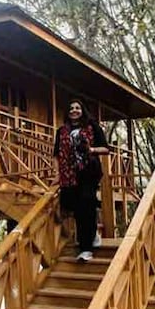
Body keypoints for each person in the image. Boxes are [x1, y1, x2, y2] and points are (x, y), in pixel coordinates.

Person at [53, 99, 109, 261]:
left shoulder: (92, 127)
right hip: (69, 175)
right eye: (71, 108)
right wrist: (57, 174)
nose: (74, 110)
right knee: (75, 208)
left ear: (82, 110)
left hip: (88, 172)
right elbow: (56, 154)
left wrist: (91, 149)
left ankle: (86, 249)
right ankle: (93, 236)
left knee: (86, 203)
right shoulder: (62, 131)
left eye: (77, 108)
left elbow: (105, 149)